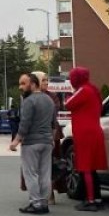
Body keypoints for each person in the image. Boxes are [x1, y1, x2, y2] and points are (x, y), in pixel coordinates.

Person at [9, 73, 56, 214]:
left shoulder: (28, 101)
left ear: (34, 84)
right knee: (45, 174)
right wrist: (51, 139)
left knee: (31, 174)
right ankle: (44, 203)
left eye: (24, 84)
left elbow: (25, 123)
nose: (21, 87)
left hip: (31, 142)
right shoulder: (49, 100)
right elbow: (54, 123)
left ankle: (35, 203)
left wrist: (16, 141)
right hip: (47, 141)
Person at [66, 66, 107, 211]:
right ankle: (97, 198)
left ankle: (90, 200)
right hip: (94, 131)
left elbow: (68, 104)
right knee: (92, 168)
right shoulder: (94, 91)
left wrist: (69, 95)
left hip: (84, 134)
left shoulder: (83, 90)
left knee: (85, 167)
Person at [33, 71, 64, 204]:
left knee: (50, 164)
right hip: (34, 135)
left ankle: (50, 193)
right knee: (35, 166)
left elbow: (52, 113)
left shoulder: (52, 97)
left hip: (50, 134)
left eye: (47, 80)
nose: (46, 82)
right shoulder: (29, 96)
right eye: (43, 80)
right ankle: (37, 193)